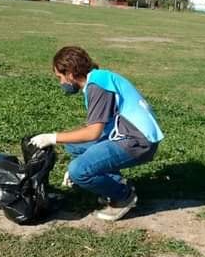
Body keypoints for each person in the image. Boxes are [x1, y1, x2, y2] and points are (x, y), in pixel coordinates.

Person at [30, 46, 163, 221]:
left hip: (137, 141)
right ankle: (115, 184)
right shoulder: (100, 79)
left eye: (60, 77)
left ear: (70, 73)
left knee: (79, 170)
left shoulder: (97, 86)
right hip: (131, 134)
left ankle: (123, 196)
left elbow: (93, 132)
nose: (61, 82)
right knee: (74, 146)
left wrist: (52, 138)